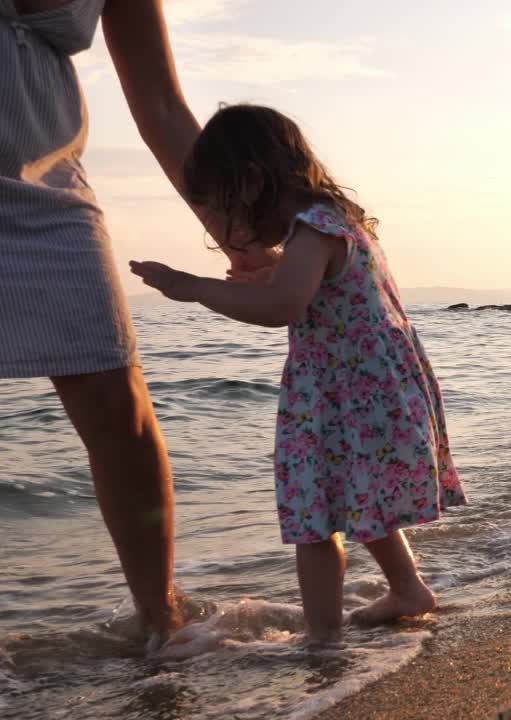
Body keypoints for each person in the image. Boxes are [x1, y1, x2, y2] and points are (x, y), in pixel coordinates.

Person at [131, 104, 468, 645]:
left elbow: (282, 306)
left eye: (229, 205)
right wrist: (264, 274)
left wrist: (193, 288)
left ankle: (321, 638)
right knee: (353, 497)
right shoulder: (338, 221)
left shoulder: (312, 232)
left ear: (254, 180)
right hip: (366, 389)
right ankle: (407, 589)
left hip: (343, 392)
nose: (234, 225)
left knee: (315, 516)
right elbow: (300, 290)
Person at [0, 0, 219, 646]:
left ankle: (162, 625)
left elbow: (161, 109)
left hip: (47, 190)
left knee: (119, 408)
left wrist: (238, 229)